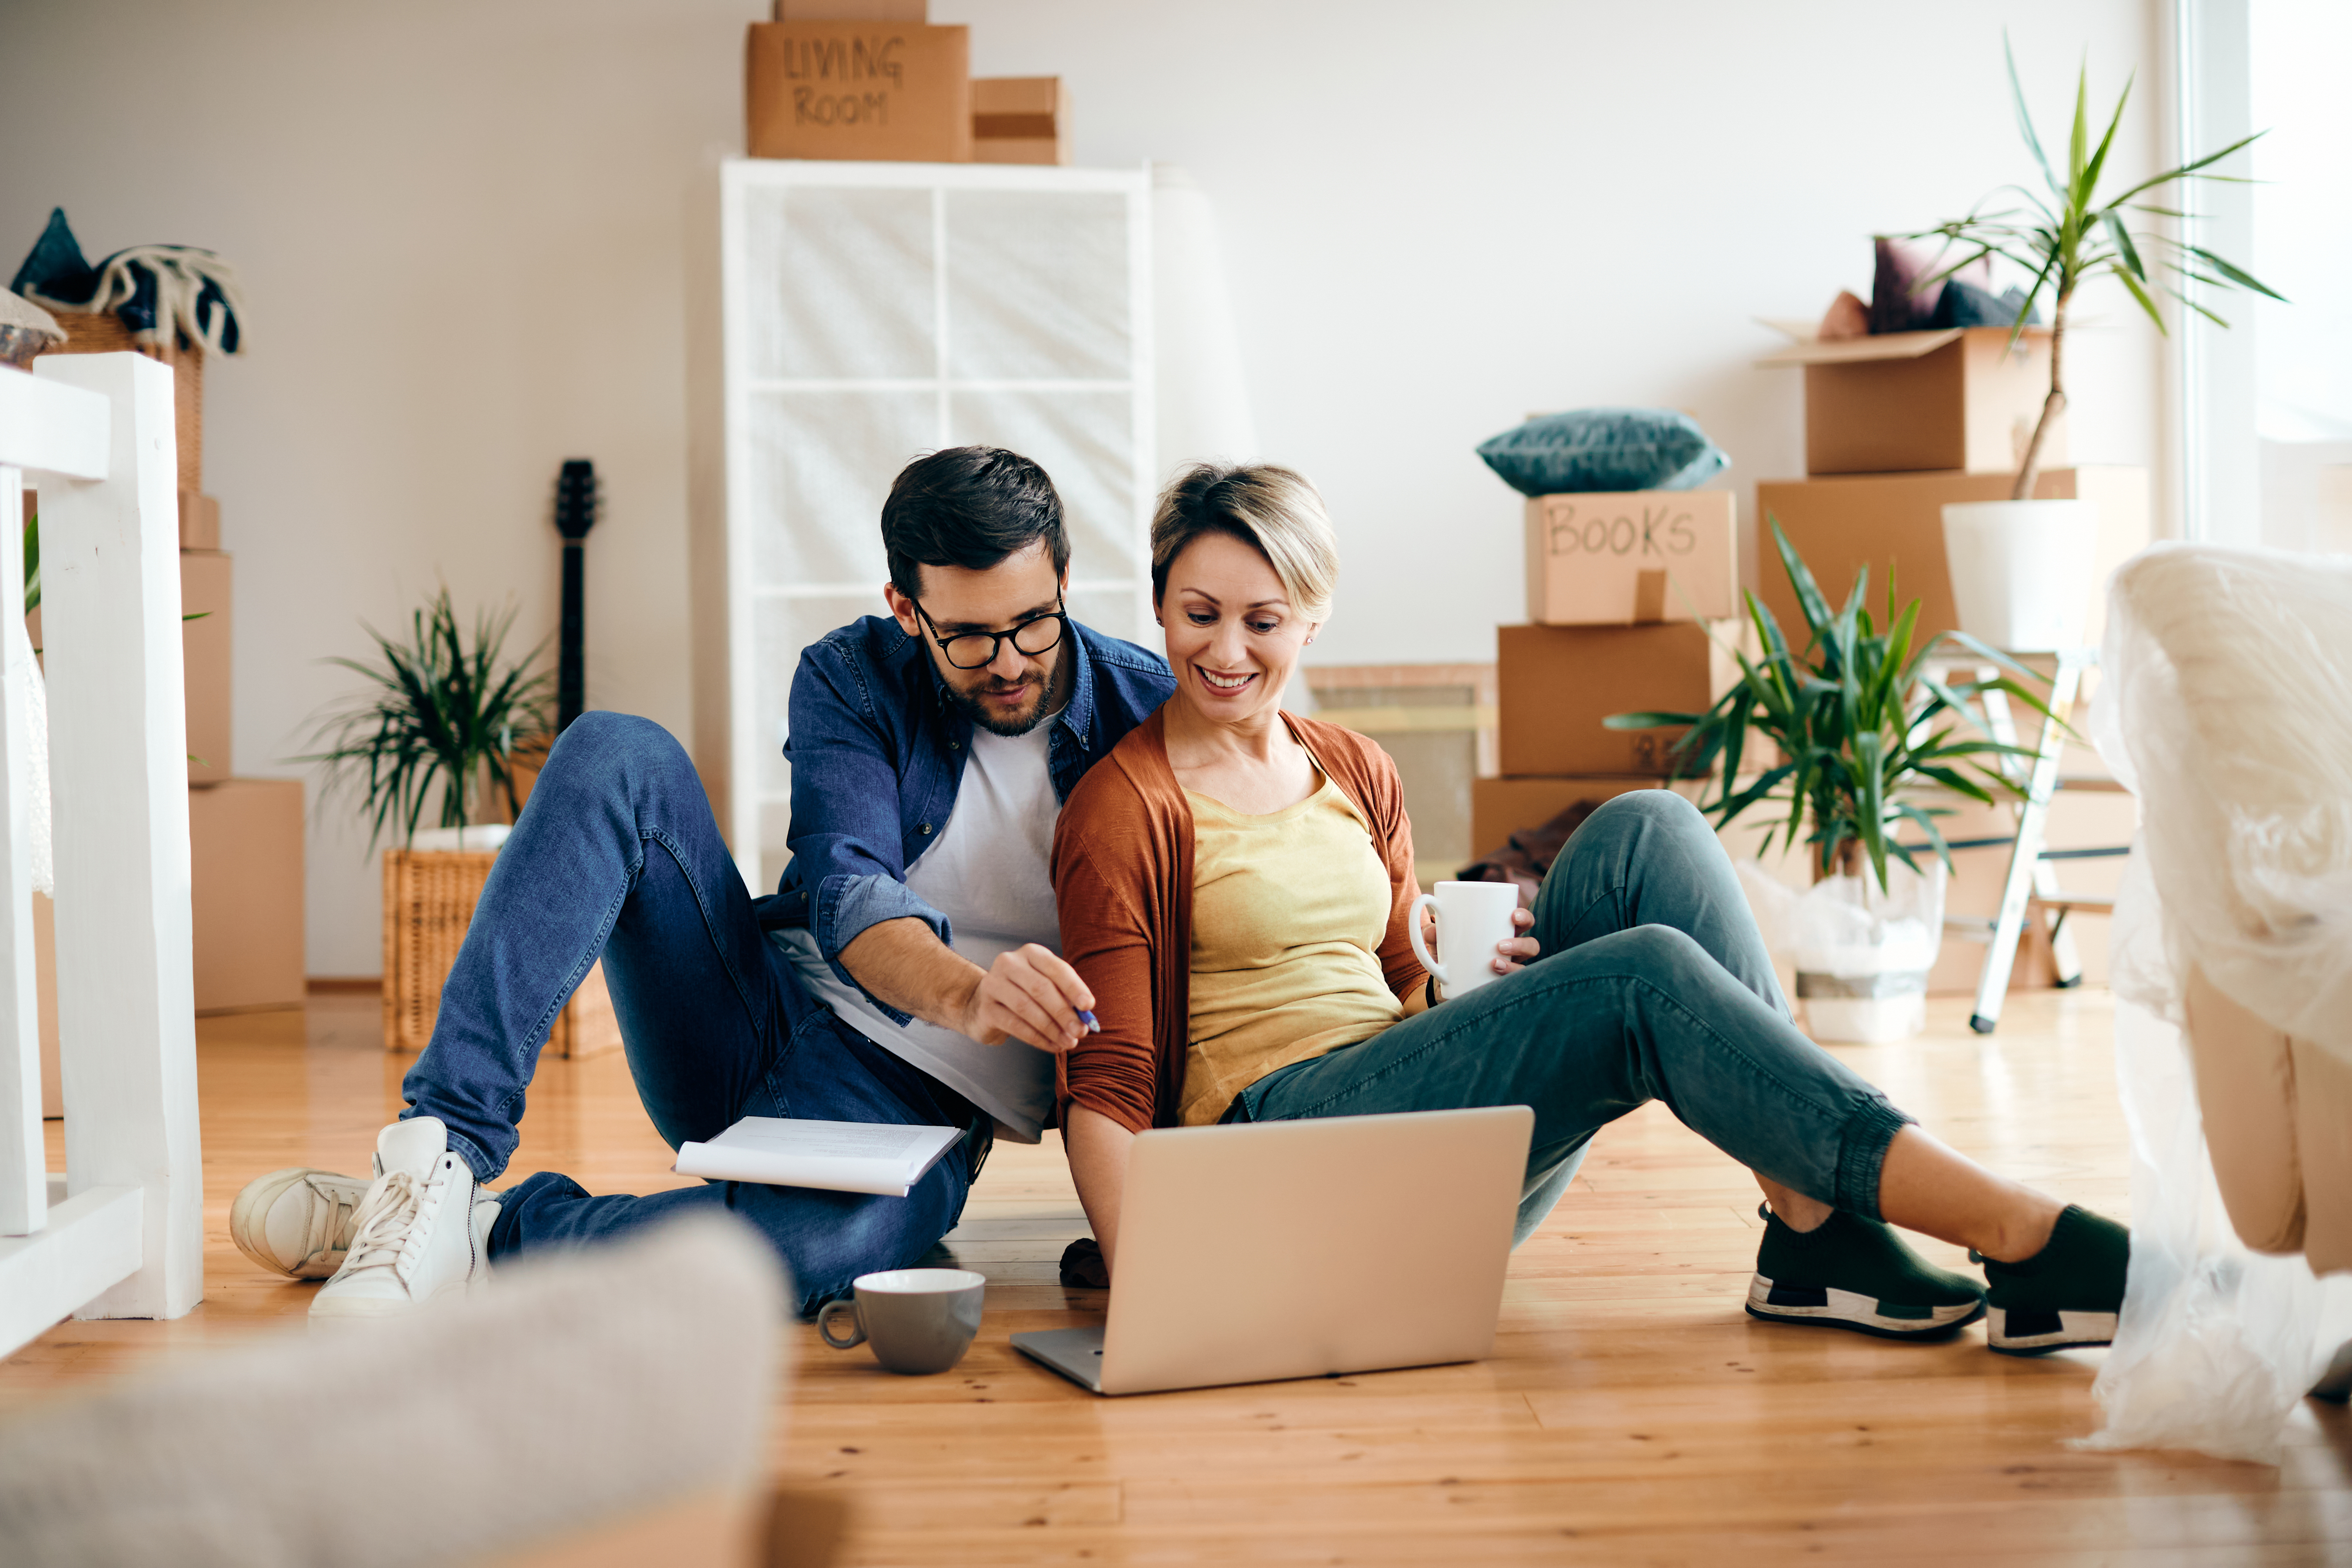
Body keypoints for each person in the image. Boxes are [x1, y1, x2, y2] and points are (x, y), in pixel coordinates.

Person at [1049, 462, 2130, 1354]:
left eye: (1262, 620)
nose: (1225, 651)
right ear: (1158, 606)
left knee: (1648, 827)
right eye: (1198, 615)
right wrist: (1161, 1292)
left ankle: (1809, 1230)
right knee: (1636, 979)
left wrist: (1483, 993)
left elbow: (1395, 984)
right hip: (1279, 1169)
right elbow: (1107, 1080)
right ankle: (2017, 1229)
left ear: (1314, 622)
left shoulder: (1352, 766)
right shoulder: (1124, 809)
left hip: (1405, 1138)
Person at [230, 447, 1161, 1319]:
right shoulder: (854, 675)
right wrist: (972, 992)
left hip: (923, 1109)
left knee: (808, 1254)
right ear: (906, 607)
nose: (1007, 661)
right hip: (758, 1016)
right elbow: (850, 892)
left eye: (1032, 623)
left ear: (1066, 580)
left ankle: (472, 1231)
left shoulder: (1146, 710)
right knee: (616, 751)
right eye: (965, 635)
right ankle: (440, 1157)